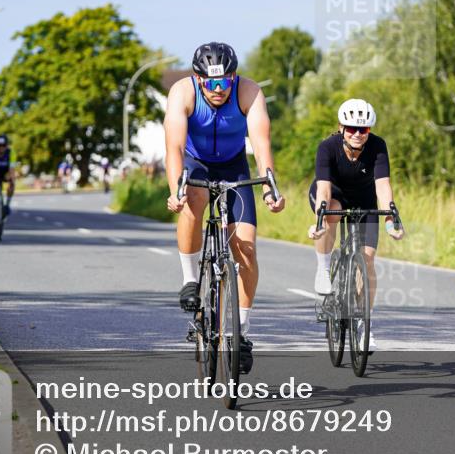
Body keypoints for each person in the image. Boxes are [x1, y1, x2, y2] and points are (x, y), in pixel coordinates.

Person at [165, 41, 285, 374]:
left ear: (234, 77)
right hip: (195, 163)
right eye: (211, 82)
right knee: (195, 197)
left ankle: (242, 332)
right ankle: (190, 278)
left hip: (234, 166)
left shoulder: (249, 91)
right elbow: (174, 147)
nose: (218, 89)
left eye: (225, 81)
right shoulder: (181, 93)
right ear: (198, 78)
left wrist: (270, 187)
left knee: (246, 249)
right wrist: (176, 189)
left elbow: (261, 144)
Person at [307, 99, 404, 352]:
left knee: (367, 260)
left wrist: (391, 219)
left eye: (364, 130)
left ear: (369, 131)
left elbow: (383, 186)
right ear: (341, 127)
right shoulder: (327, 147)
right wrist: (320, 217)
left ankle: (363, 324)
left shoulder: (378, 146)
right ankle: (324, 268)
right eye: (351, 128)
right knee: (333, 211)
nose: (358, 134)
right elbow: (324, 189)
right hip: (332, 194)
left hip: (364, 200)